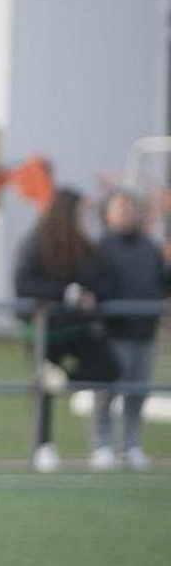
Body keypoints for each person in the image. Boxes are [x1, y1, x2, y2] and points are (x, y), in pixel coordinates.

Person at [13, 187, 118, 473]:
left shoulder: (87, 246)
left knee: (108, 368)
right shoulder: (37, 242)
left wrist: (92, 296)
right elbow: (24, 283)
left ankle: (65, 383)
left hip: (78, 326)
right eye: (82, 211)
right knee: (43, 392)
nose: (86, 217)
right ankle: (43, 446)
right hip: (46, 328)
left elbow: (102, 282)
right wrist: (66, 293)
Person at [90, 189, 169, 471]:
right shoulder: (100, 248)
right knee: (107, 392)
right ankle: (101, 446)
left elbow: (161, 282)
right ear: (108, 213)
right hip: (114, 332)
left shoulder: (149, 247)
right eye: (119, 208)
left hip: (145, 331)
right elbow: (96, 286)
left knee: (138, 393)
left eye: (129, 207)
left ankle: (132, 446)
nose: (125, 212)